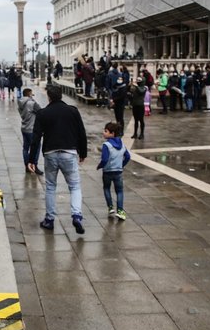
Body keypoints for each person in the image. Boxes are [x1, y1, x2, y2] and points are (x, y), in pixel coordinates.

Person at [29, 85, 87, 234]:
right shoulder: (72, 111)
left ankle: (49, 220)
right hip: (69, 152)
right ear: (61, 95)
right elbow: (81, 132)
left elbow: (36, 138)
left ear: (49, 96)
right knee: (74, 186)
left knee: (50, 187)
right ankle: (76, 215)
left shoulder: (43, 113)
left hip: (50, 152)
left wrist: (31, 160)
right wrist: (83, 152)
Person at [97, 122, 130, 220]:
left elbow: (104, 159)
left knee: (106, 188)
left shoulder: (106, 145)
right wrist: (122, 165)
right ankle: (120, 211)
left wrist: (100, 166)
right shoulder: (122, 144)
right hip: (118, 172)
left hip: (107, 171)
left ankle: (110, 207)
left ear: (112, 133)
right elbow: (127, 156)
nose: (103, 132)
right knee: (119, 191)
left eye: (106, 131)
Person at [18, 88, 43, 175]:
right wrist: (32, 99)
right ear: (29, 94)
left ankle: (27, 166)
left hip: (24, 128)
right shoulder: (31, 103)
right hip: (32, 129)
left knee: (25, 148)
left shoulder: (20, 102)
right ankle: (34, 166)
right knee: (36, 147)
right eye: (32, 94)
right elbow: (41, 111)